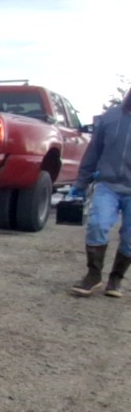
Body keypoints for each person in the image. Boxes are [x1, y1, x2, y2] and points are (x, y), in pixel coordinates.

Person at [71, 88, 131, 297]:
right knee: (97, 225)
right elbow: (93, 152)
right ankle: (93, 275)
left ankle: (116, 279)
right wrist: (81, 182)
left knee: (130, 237)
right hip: (108, 185)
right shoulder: (110, 118)